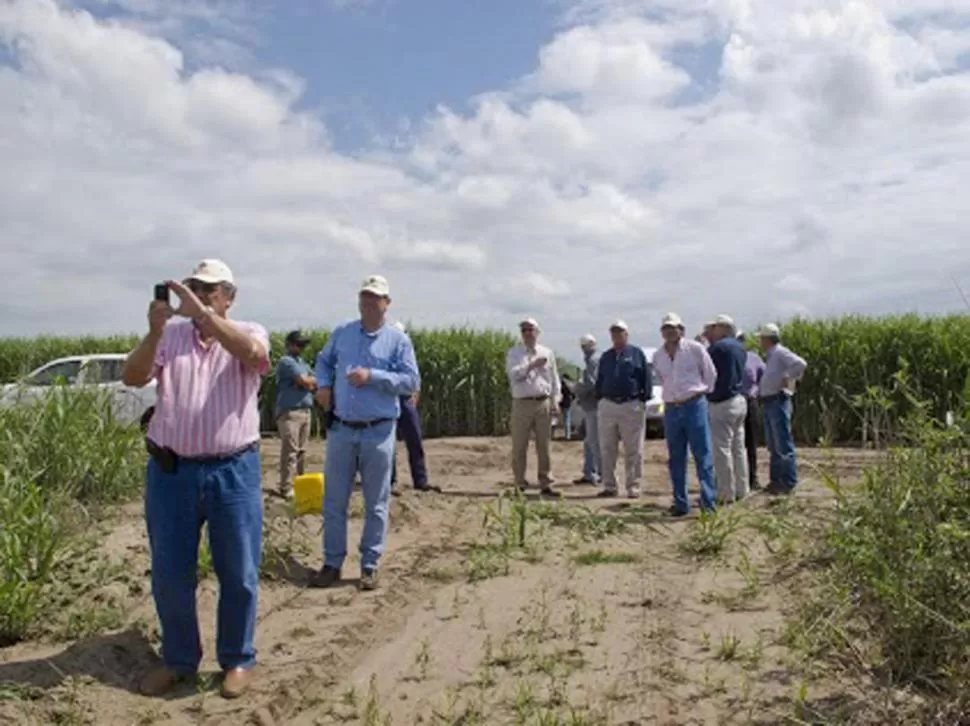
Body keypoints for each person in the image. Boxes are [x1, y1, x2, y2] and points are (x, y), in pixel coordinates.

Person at [121, 259, 270, 699]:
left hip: (233, 471)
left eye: (210, 290)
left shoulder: (249, 331)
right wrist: (153, 331)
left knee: (239, 572)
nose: (200, 296)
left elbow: (254, 356)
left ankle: (238, 659)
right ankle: (179, 660)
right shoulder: (171, 338)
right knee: (170, 573)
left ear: (230, 296)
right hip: (172, 473)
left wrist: (203, 317)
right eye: (194, 288)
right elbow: (133, 376)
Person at [311, 275, 419, 591]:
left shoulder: (398, 341)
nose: (369, 302)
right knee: (334, 500)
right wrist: (324, 385)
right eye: (365, 296)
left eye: (375, 297)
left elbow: (410, 381)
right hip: (342, 430)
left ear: (386, 303)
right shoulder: (343, 333)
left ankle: (370, 564)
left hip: (378, 431)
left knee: (376, 502)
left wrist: (373, 376)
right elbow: (323, 361)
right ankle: (332, 562)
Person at [651, 313, 718, 516]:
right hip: (671, 408)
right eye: (666, 328)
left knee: (702, 455)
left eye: (674, 327)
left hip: (694, 405)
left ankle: (708, 503)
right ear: (662, 332)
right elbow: (663, 379)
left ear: (681, 329)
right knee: (676, 458)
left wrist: (701, 394)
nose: (670, 331)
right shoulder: (658, 356)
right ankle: (680, 503)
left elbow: (710, 374)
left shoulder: (695, 349)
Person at [595, 320, 651, 499]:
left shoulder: (636, 354)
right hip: (608, 405)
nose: (617, 336)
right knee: (607, 447)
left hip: (630, 404)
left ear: (627, 334)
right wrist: (600, 398)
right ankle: (610, 486)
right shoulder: (606, 356)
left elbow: (646, 378)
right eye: (614, 333)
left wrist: (643, 400)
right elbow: (600, 379)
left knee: (633, 448)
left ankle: (633, 486)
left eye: (620, 333)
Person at [506, 317, 561, 498]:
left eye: (531, 329)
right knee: (519, 445)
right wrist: (531, 365)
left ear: (538, 332)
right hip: (522, 403)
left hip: (543, 402)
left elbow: (554, 379)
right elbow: (514, 375)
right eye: (524, 330)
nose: (528, 333)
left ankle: (546, 482)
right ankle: (519, 482)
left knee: (544, 445)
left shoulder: (547, 352)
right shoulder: (515, 353)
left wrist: (556, 401)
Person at [757, 323, 808, 495]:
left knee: (782, 442)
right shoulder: (772, 355)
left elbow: (800, 363)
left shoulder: (779, 352)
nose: (760, 341)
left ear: (767, 339)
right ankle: (776, 480)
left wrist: (788, 376)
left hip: (777, 400)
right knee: (774, 444)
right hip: (770, 401)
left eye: (761, 338)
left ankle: (788, 481)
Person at [388, 321, 437, 494]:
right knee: (389, 443)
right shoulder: (385, 353)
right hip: (390, 398)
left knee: (415, 439)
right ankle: (390, 481)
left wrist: (416, 392)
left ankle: (421, 480)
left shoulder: (407, 351)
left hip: (406, 399)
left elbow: (414, 375)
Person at [706, 315, 749, 504]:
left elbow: (707, 371)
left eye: (715, 327)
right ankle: (742, 488)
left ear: (723, 328)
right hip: (739, 399)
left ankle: (725, 493)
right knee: (738, 448)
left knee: (722, 449)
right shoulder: (740, 348)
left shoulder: (718, 348)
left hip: (722, 402)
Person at [275, 330, 316, 499]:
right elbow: (305, 381)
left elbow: (315, 379)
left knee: (302, 451)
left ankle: (299, 484)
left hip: (305, 411)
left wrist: (309, 381)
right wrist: (308, 382)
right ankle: (286, 487)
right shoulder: (286, 362)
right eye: (298, 344)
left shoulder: (302, 363)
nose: (301, 347)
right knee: (290, 451)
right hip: (290, 412)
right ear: (289, 344)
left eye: (303, 345)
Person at [737, 331, 765, 490]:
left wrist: (758, 392)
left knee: (751, 442)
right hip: (733, 402)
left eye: (742, 340)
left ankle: (753, 477)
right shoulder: (728, 357)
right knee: (735, 443)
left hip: (750, 402)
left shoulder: (753, 358)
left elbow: (764, 376)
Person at [572, 334, 601, 485]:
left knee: (593, 441)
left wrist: (576, 389)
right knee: (590, 441)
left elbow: (591, 384)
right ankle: (589, 471)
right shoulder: (594, 360)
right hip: (591, 405)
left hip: (593, 406)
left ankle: (598, 473)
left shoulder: (592, 361)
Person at [558, 373, 575, 440]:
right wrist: (572, 399)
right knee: (567, 419)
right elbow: (573, 394)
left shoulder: (560, 385)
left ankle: (551, 434)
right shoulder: (569, 385)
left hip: (560, 403)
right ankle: (567, 435)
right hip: (567, 403)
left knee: (554, 420)